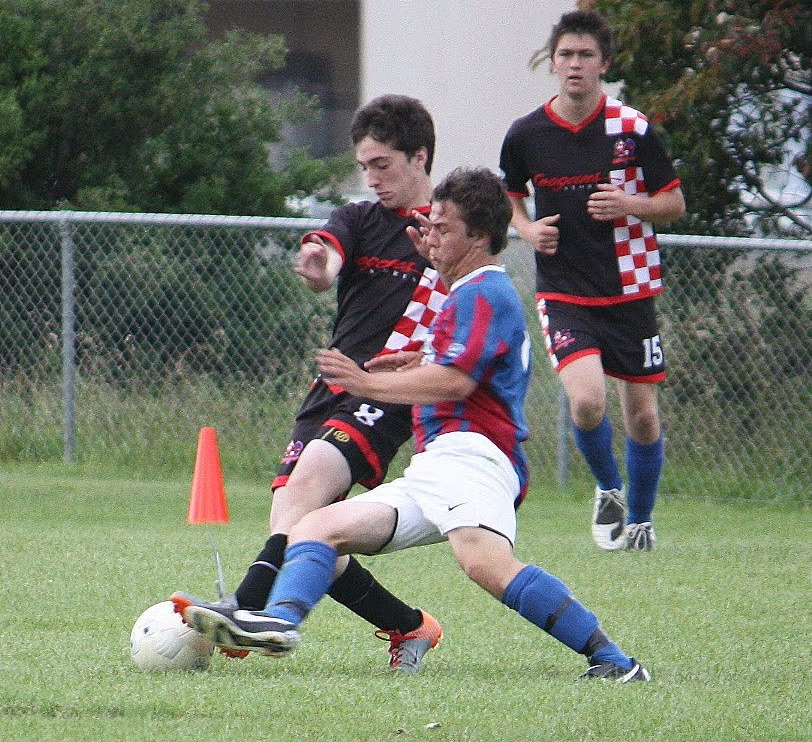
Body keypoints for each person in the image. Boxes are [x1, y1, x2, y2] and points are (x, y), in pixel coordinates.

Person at [178, 167, 651, 683]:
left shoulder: (484, 292)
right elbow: (462, 362)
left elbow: (455, 383)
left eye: (444, 228)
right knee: (316, 526)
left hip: (476, 457)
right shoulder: (465, 291)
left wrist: (366, 382)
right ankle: (278, 622)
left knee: (484, 563)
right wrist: (411, 359)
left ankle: (616, 661)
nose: (431, 237)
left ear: (479, 237)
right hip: (437, 464)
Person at [172, 94, 448, 673]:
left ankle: (246, 609)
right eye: (364, 166)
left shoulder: (447, 234)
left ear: (420, 157)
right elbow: (328, 248)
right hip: (329, 391)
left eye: (383, 164)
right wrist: (319, 262)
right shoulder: (361, 218)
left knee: (307, 492)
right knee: (299, 529)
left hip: (384, 397)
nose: (371, 178)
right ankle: (410, 626)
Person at [499, 9, 686, 551]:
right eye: (565, 55)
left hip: (631, 288)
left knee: (644, 417)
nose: (574, 65)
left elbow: (673, 202)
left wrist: (630, 204)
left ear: (604, 63)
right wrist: (529, 230)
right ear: (552, 63)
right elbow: (509, 198)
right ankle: (608, 489)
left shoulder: (632, 129)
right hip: (563, 291)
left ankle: (642, 521)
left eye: (585, 55)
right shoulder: (527, 133)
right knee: (586, 402)